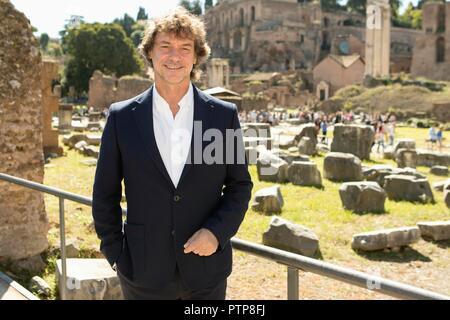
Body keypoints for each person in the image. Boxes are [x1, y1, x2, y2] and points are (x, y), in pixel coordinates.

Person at [92, 8, 253, 300]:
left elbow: (239, 186)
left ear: (196, 56)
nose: (174, 56)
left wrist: (216, 233)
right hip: (141, 273)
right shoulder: (122, 117)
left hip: (207, 274)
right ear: (150, 53)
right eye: (165, 47)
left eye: (184, 48)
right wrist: (114, 253)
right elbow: (105, 193)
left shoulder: (222, 117)